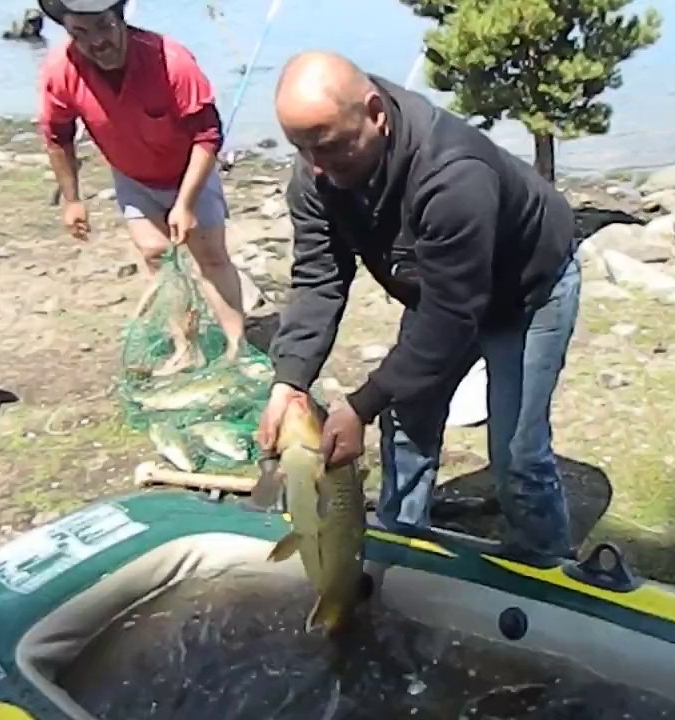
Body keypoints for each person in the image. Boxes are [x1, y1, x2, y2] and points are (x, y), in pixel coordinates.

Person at [256, 50, 582, 561]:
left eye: (330, 147)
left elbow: (453, 318)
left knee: (518, 455)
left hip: (527, 291)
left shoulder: (453, 175)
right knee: (406, 414)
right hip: (443, 290)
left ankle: (547, 569)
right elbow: (319, 276)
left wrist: (360, 404)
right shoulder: (317, 173)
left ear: (375, 114)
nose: (317, 166)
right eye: (301, 149)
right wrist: (289, 380)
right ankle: (399, 547)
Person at [36, 0, 247, 364]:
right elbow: (58, 135)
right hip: (133, 175)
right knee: (156, 257)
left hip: (190, 169)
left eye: (103, 26)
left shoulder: (172, 61)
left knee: (211, 257)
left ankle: (237, 346)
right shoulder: (61, 69)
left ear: (122, 19)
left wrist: (185, 202)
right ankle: (186, 348)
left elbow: (208, 135)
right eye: (80, 34)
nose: (96, 42)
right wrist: (72, 199)